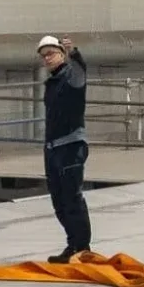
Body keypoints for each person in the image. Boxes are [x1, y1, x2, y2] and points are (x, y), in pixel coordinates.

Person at [37, 34, 92, 264]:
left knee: (72, 199)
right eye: (44, 55)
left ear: (62, 54)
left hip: (70, 146)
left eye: (51, 53)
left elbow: (81, 71)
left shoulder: (71, 76)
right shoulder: (53, 81)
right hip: (53, 148)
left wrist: (75, 54)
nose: (47, 59)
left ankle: (83, 247)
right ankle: (73, 243)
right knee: (59, 201)